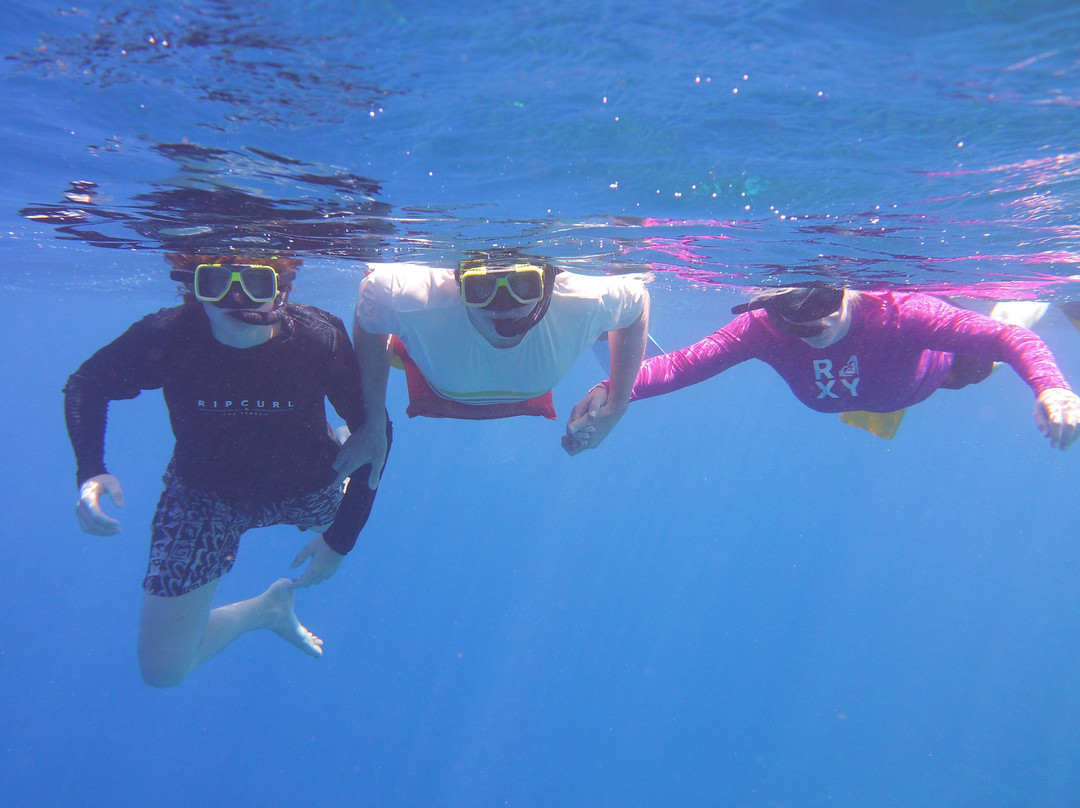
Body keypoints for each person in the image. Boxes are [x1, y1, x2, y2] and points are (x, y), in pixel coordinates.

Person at [64, 254, 391, 688]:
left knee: (350, 470)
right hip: (203, 497)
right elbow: (87, 385)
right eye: (216, 281)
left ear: (281, 288)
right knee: (164, 671)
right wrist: (91, 469)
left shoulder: (316, 338)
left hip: (312, 482)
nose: (235, 297)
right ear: (193, 288)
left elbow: (377, 433)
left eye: (254, 282)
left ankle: (337, 448)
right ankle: (265, 611)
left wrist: (340, 540)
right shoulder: (168, 335)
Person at [564, 286, 1080, 452]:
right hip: (888, 390)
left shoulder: (902, 315)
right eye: (797, 319)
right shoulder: (760, 331)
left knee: (997, 332)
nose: (821, 319)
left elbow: (1011, 338)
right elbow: (682, 365)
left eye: (828, 299)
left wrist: (1052, 388)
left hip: (942, 371)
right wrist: (613, 387)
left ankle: (1048, 289)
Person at [332, 250, 649, 481]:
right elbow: (372, 305)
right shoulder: (412, 299)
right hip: (438, 365)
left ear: (550, 282)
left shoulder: (582, 300)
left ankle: (600, 331)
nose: (503, 305)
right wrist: (371, 421)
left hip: (443, 371)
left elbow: (637, 304)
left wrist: (619, 405)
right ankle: (598, 330)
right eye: (480, 288)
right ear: (457, 283)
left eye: (523, 284)